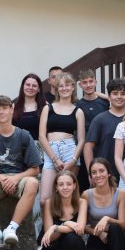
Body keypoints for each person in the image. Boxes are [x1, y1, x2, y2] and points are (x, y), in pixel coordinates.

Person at [0, 96, 42, 246]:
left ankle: (11, 228)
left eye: (4, 108)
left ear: (12, 109)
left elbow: (35, 169)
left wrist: (15, 178)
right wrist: (1, 178)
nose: (1, 112)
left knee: (32, 182)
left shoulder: (24, 135)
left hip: (18, 178)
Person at [38, 72, 86, 205]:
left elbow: (82, 139)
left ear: (73, 87)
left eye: (68, 85)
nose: (64, 88)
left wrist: (73, 160)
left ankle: (66, 225)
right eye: (61, 86)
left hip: (70, 152)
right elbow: (42, 136)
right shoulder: (48, 108)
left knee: (67, 196)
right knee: (45, 200)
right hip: (50, 151)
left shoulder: (78, 111)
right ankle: (47, 226)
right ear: (57, 89)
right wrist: (54, 158)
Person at [82, 158, 125, 250]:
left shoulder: (120, 194)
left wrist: (107, 219)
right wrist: (98, 232)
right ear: (90, 176)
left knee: (115, 227)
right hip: (97, 238)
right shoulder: (86, 195)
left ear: (108, 173)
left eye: (101, 171)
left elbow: (123, 224)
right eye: (94, 172)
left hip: (117, 239)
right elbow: (83, 225)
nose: (98, 175)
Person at [38, 171, 88, 250]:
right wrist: (66, 225)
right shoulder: (49, 203)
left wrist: (58, 226)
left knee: (72, 237)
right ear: (56, 187)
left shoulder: (82, 202)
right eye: (61, 184)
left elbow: (80, 228)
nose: (65, 187)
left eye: (68, 184)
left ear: (74, 185)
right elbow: (50, 238)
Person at [83, 78, 125, 179]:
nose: (119, 97)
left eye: (122, 93)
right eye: (115, 93)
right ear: (109, 97)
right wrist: (91, 173)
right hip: (104, 174)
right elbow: (88, 147)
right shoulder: (99, 119)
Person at [12, 73, 47, 142]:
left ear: (39, 89)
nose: (30, 88)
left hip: (39, 149)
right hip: (19, 149)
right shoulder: (13, 107)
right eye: (27, 85)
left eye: (34, 86)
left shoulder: (45, 107)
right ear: (23, 87)